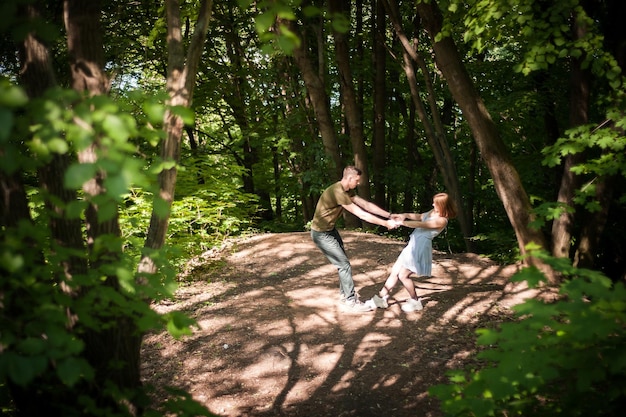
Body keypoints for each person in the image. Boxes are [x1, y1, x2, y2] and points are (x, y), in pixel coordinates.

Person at [311, 166, 399, 312]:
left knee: (343, 264)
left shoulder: (346, 190)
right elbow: (361, 214)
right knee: (344, 265)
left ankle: (345, 296)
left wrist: (389, 215)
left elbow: (365, 204)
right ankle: (350, 302)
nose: (358, 183)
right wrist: (385, 224)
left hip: (330, 231)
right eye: (357, 180)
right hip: (321, 234)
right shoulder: (337, 192)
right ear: (350, 178)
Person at [368, 192, 457, 312]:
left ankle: (415, 301)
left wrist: (402, 222)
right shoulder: (433, 212)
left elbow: (422, 224)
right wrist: (404, 215)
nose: (432, 204)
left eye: (435, 203)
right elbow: (420, 217)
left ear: (442, 205)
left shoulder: (442, 220)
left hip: (420, 247)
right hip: (413, 244)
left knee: (403, 275)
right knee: (395, 271)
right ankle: (380, 298)